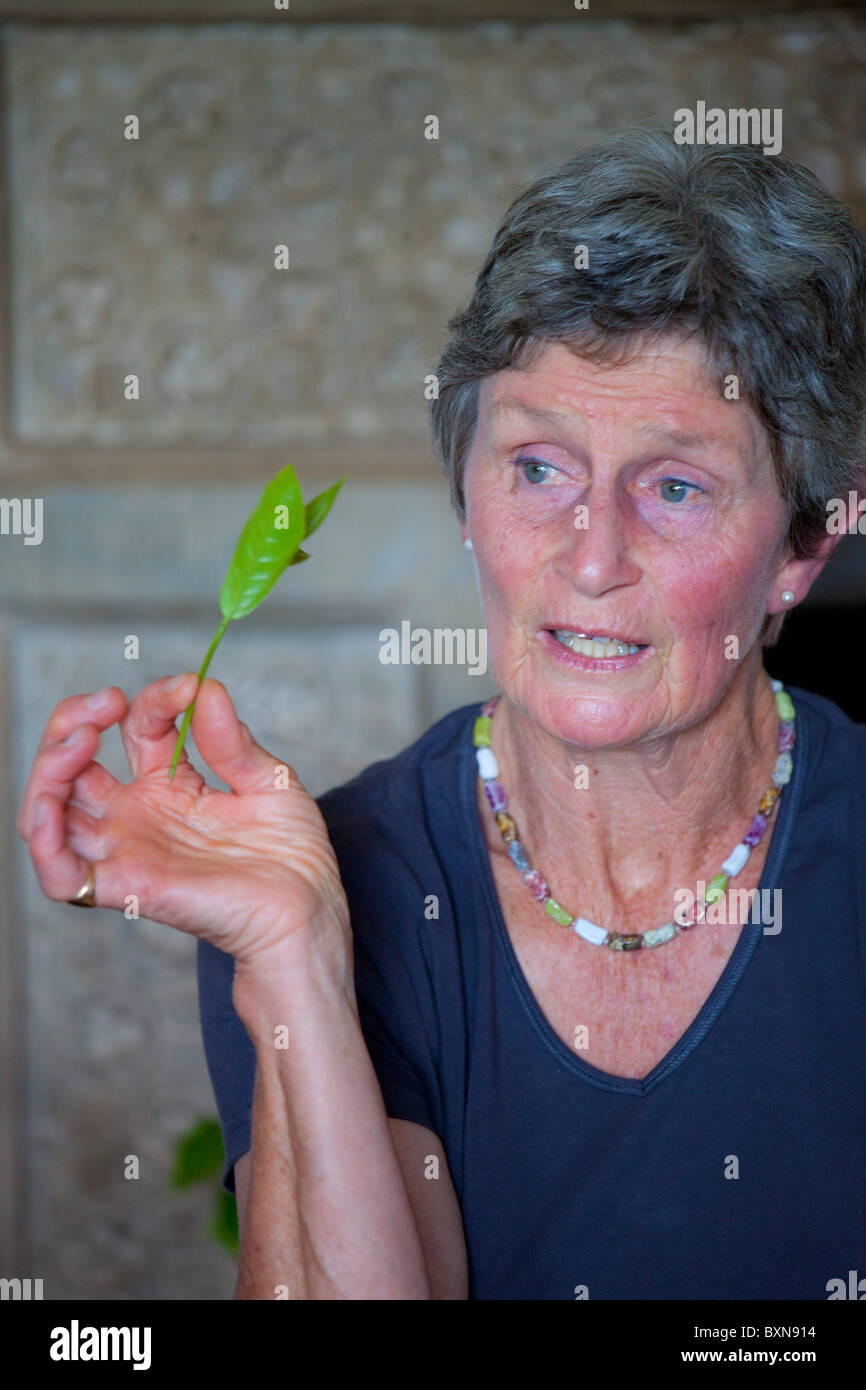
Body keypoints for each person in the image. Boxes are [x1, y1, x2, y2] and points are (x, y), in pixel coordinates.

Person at [18, 128, 866, 1300]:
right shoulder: (351, 872)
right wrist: (294, 962)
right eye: (536, 468)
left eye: (674, 486)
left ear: (802, 547)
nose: (590, 555)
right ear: (464, 491)